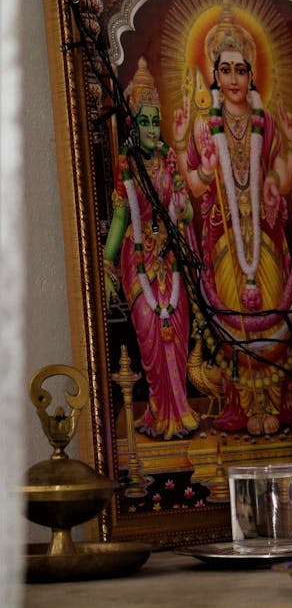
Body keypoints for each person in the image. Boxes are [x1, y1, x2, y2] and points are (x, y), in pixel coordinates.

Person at [171, 0, 292, 436]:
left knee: (270, 315)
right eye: (225, 70)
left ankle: (276, 401)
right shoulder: (202, 125)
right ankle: (241, 403)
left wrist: (288, 144)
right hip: (224, 240)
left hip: (264, 237)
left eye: (241, 70)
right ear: (215, 74)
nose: (233, 78)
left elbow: (282, 181)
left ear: (252, 76)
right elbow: (192, 186)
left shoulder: (264, 121)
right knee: (233, 318)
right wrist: (195, 161)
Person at [103, 57, 198, 441]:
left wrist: (185, 203)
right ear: (132, 124)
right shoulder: (127, 167)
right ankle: (160, 412)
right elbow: (122, 219)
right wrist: (106, 263)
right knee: (150, 331)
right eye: (142, 121)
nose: (149, 128)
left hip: (170, 259)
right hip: (139, 260)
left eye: (153, 120)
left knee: (177, 329)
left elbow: (186, 213)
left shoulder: (169, 162)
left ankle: (181, 412)